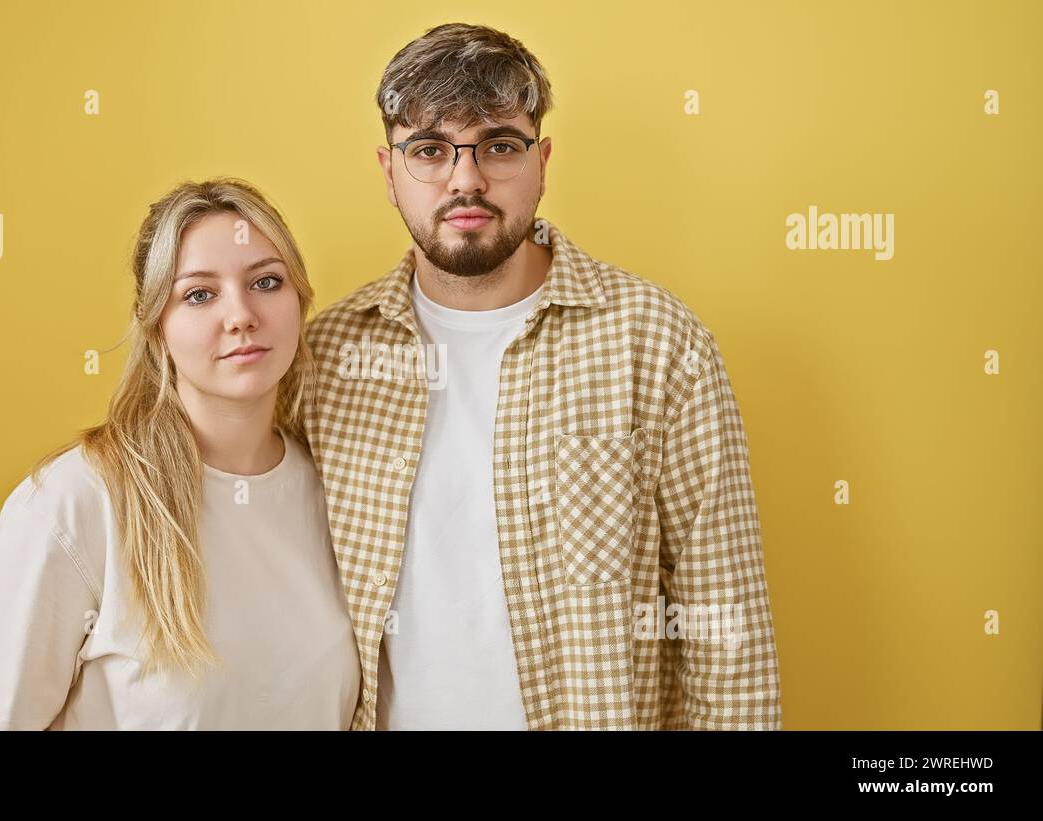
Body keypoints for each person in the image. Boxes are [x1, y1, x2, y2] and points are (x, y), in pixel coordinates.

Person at [301, 23, 783, 730]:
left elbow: (723, 623)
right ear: (388, 169)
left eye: (498, 145)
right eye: (430, 149)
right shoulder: (325, 358)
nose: (466, 178)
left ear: (542, 160)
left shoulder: (657, 343)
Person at [0, 178, 360, 730]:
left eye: (266, 282)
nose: (240, 315)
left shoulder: (338, 490)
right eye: (199, 294)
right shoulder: (77, 500)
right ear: (156, 326)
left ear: (300, 301)